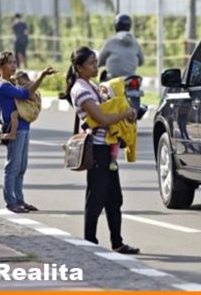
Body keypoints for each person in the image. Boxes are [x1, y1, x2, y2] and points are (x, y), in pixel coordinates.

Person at [60, 46, 140, 254]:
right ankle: (90, 242)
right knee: (96, 198)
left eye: (96, 62)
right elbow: (102, 118)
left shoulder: (91, 85)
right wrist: (124, 114)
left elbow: (108, 110)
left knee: (114, 198)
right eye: (91, 63)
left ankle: (117, 242)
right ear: (79, 67)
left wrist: (124, 112)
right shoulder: (81, 90)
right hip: (97, 149)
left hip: (107, 148)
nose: (96, 66)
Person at [0, 51, 55, 213]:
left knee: (21, 167)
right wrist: (41, 76)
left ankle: (20, 200)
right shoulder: (3, 86)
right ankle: (11, 202)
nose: (13, 65)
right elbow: (26, 94)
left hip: (24, 126)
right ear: (1, 66)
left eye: (14, 62)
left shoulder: (11, 83)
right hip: (16, 129)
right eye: (10, 63)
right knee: (12, 167)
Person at [98, 14, 144, 79]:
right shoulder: (135, 42)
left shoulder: (111, 41)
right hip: (130, 79)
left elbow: (100, 61)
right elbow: (141, 62)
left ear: (116, 26)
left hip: (112, 78)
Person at [1, 70, 42, 140]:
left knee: (14, 114)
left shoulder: (30, 85)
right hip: (29, 109)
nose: (17, 82)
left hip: (31, 109)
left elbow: (25, 92)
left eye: (18, 80)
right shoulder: (23, 85)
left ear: (24, 78)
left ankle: (12, 134)